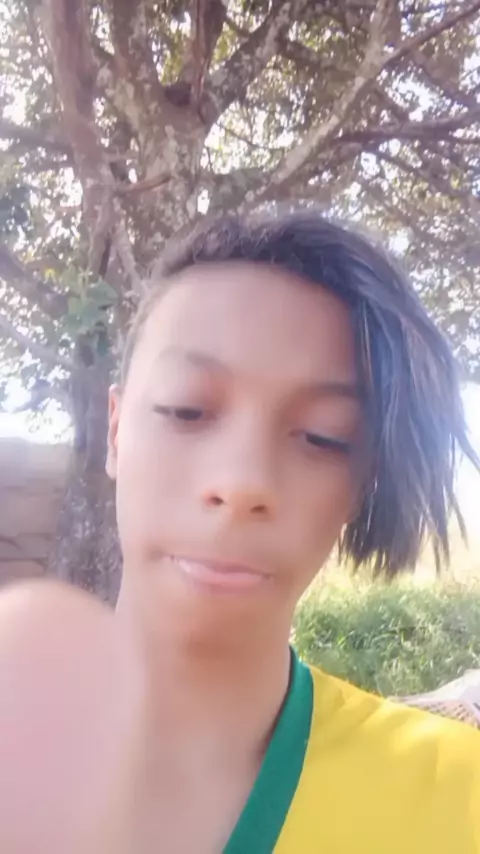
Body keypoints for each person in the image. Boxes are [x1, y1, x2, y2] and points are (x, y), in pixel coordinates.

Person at [1, 209, 479, 854]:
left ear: (361, 483)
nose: (244, 482)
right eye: (187, 409)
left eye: (322, 437)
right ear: (115, 431)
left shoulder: (457, 797)